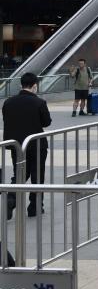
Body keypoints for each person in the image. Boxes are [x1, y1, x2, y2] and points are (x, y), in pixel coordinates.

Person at [3, 73, 51, 220]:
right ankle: (34, 207)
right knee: (37, 175)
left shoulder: (8, 102)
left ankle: (11, 199)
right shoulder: (39, 102)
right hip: (36, 144)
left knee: (19, 173)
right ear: (35, 85)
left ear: (21, 85)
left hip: (16, 145)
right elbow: (46, 122)